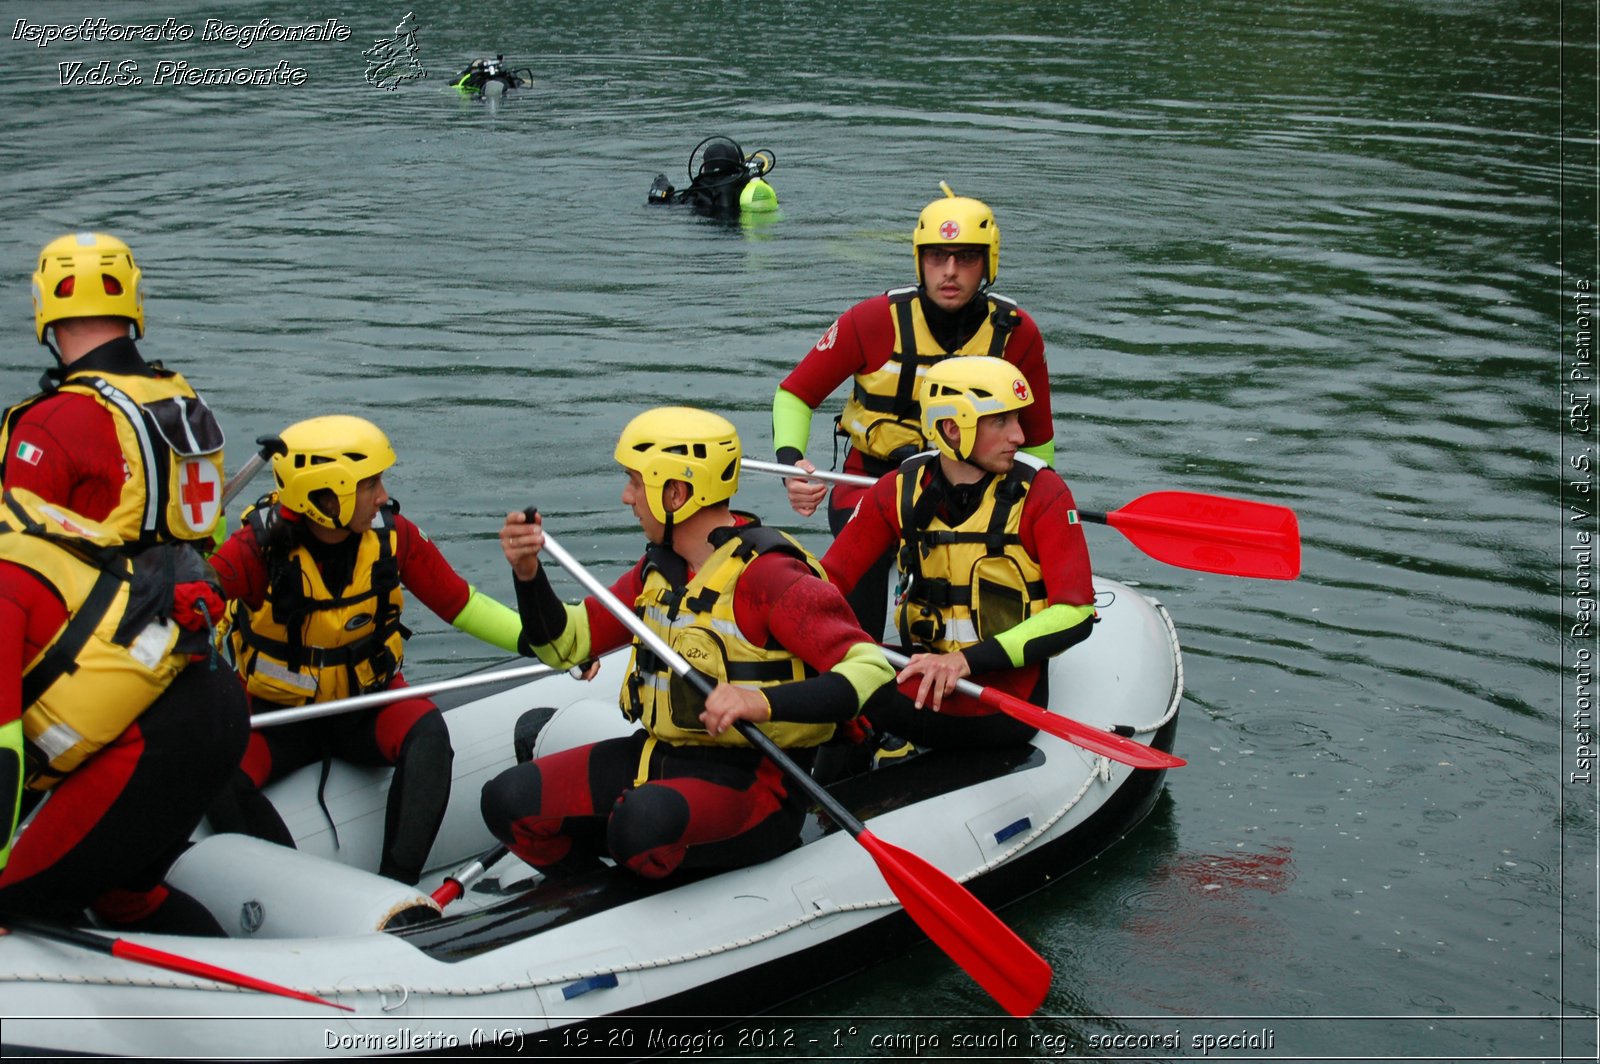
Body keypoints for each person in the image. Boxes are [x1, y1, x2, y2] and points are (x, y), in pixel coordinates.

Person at [480, 407, 892, 880]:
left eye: (635, 482)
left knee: (639, 824)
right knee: (505, 800)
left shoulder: (770, 576)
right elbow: (565, 646)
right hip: (660, 760)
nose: (626, 497)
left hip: (756, 786)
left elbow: (870, 668)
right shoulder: (659, 570)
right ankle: (596, 897)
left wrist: (759, 702)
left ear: (675, 492)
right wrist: (528, 576)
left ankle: (637, 877)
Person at [205, 415, 523, 886]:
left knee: (429, 735)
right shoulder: (254, 550)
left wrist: (544, 643)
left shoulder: (393, 536)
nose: (381, 495)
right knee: (213, 772)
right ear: (325, 495)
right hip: (276, 714)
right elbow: (188, 615)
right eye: (369, 483)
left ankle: (396, 887)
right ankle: (290, 889)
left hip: (364, 705)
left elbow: (460, 603)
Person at [771, 186, 1053, 637]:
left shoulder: (1017, 335)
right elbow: (795, 395)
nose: (950, 272)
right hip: (871, 481)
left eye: (966, 259)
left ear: (988, 264)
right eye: (937, 257)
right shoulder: (871, 320)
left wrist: (1035, 508)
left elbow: (1037, 443)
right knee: (860, 586)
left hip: (974, 489)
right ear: (919, 260)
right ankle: (855, 662)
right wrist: (792, 465)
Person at [0, 488, 248, 934]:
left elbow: (4, 754)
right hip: (190, 699)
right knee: (123, 899)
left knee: (19, 906)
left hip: (175, 728)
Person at [820, 357, 1096, 757]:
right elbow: (829, 580)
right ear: (953, 427)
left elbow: (1076, 613)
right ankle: (830, 789)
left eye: (1016, 419)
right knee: (818, 679)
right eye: (1000, 421)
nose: (1019, 435)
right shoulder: (899, 488)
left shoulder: (1043, 494)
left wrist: (964, 662)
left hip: (1002, 699)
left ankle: (844, 772)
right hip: (924, 671)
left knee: (842, 693)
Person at [0, 232, 226, 550]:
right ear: (135, 299)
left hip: (106, 598)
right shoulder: (180, 399)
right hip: (194, 592)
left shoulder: (47, 424)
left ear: (42, 304)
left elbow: (15, 554)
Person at [647, 135, 778, 216]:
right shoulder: (748, 182)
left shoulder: (700, 189)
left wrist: (661, 186)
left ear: (706, 166)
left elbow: (659, 205)